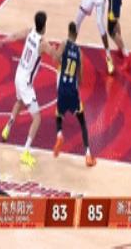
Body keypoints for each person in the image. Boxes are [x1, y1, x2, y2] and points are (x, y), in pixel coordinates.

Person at [0, 11, 58, 168]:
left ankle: (7, 128)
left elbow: (15, 35)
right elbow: (55, 56)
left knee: (19, 101)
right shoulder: (43, 43)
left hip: (18, 74)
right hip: (25, 82)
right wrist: (59, 48)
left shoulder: (30, 31)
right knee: (37, 118)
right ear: (44, 26)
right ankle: (25, 152)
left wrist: (3, 40)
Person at [53, 22, 97, 167]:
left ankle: (59, 135)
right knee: (82, 123)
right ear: (76, 34)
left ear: (68, 32)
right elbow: (81, 77)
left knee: (58, 116)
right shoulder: (79, 52)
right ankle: (88, 155)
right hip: (72, 91)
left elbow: (56, 58)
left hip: (62, 89)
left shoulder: (64, 44)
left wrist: (58, 56)